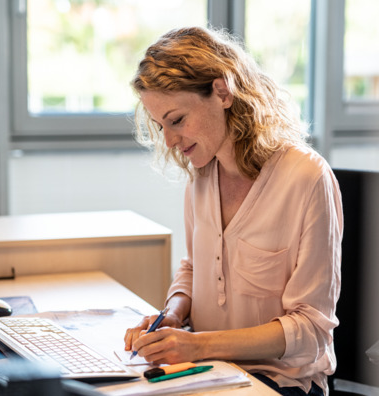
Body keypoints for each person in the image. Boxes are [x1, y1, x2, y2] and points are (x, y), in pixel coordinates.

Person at [124, 26, 343, 396]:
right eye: (161, 126)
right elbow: (194, 268)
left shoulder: (306, 178)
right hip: (207, 373)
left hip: (280, 383)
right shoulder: (201, 177)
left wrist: (198, 345)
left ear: (222, 91)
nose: (170, 141)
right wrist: (173, 315)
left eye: (177, 120)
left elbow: (310, 330)